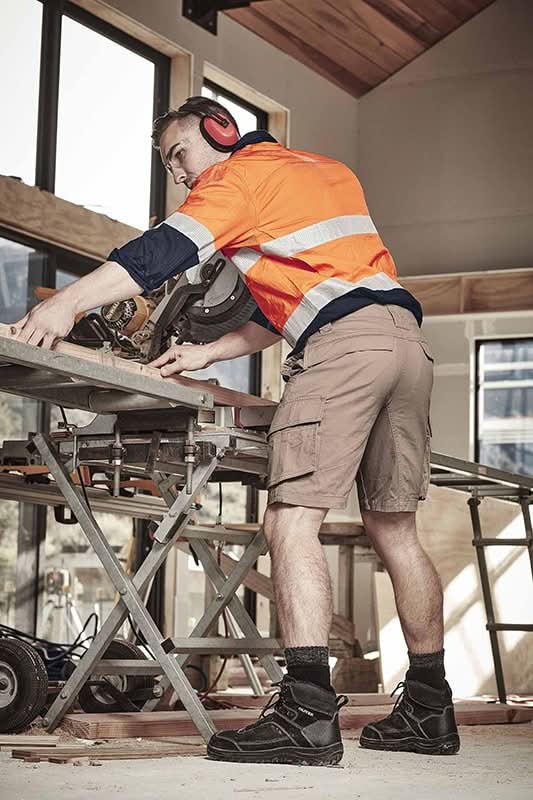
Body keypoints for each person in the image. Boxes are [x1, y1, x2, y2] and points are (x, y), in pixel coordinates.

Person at [13, 96, 459, 765]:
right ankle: (429, 710)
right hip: (402, 346)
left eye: (179, 155)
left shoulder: (236, 179)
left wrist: (69, 302)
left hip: (341, 353)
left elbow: (162, 250)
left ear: (219, 133)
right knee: (394, 527)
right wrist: (207, 353)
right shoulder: (323, 172)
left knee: (289, 521)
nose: (180, 174)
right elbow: (308, 295)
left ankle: (307, 714)